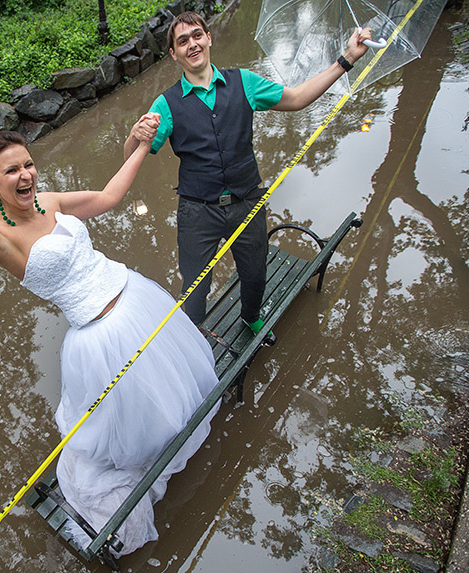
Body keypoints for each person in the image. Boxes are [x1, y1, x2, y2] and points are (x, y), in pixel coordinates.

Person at [0, 88, 219, 555]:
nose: (25, 175)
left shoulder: (49, 201)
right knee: (132, 433)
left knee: (176, 393)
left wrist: (141, 146)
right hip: (101, 339)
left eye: (28, 164)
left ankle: (179, 445)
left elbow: (109, 196)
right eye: (11, 171)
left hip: (137, 299)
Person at [124, 11, 373, 337]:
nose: (192, 44)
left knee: (255, 272)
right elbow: (131, 160)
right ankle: (193, 339)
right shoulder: (166, 104)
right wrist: (134, 135)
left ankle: (251, 318)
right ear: (174, 53)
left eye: (197, 35)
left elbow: (298, 98)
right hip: (197, 212)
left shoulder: (244, 82)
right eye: (182, 41)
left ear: (209, 38)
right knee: (195, 287)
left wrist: (347, 59)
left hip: (247, 202)